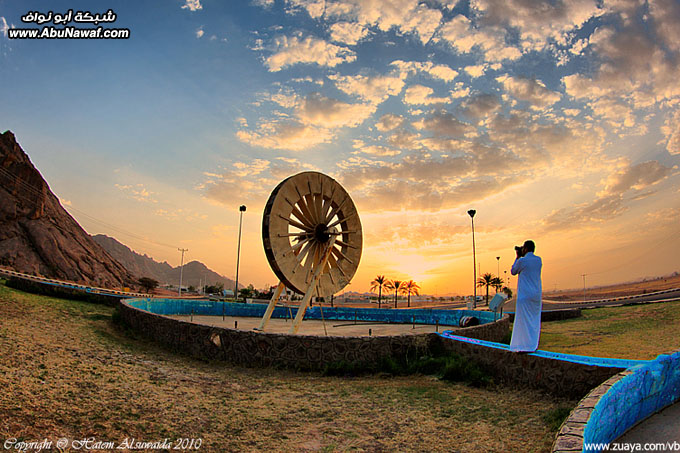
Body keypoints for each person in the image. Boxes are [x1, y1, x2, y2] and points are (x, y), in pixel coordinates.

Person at [509, 240, 542, 352]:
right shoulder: (539, 260)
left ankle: (522, 345)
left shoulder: (522, 261)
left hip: (524, 296)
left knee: (522, 322)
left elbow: (513, 271)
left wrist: (518, 256)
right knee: (534, 321)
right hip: (536, 296)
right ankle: (532, 344)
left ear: (526, 248)